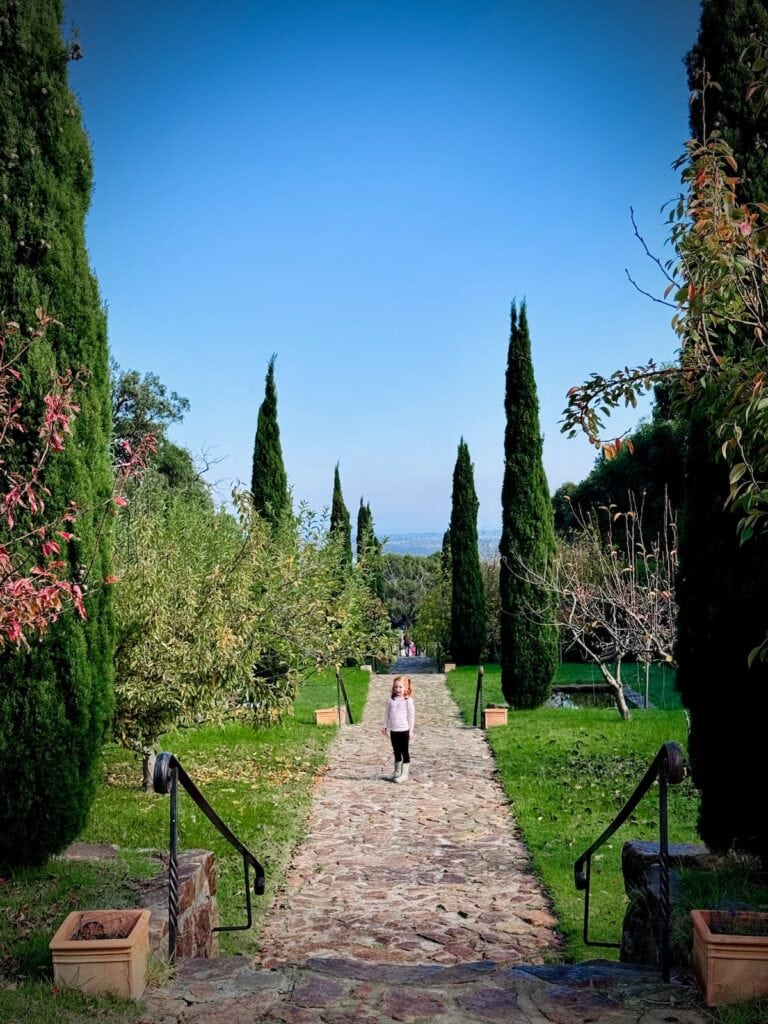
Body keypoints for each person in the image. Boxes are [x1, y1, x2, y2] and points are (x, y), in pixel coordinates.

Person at [381, 675, 415, 783]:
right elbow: (387, 714)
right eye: (396, 687)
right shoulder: (391, 700)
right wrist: (385, 725)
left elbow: (411, 716)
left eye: (400, 687)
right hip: (394, 730)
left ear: (406, 688)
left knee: (404, 751)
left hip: (404, 730)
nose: (398, 689)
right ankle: (396, 771)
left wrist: (411, 730)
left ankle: (404, 774)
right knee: (396, 751)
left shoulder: (408, 701)